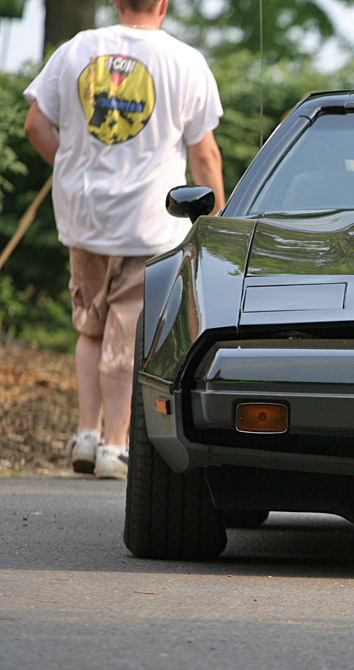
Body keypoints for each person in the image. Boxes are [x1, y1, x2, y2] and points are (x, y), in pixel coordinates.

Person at [23, 0, 225, 478]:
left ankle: (86, 435)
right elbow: (206, 155)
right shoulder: (186, 62)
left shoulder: (76, 50)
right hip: (151, 223)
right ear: (163, 4)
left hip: (85, 217)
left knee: (90, 326)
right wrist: (216, 219)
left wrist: (70, 171)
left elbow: (35, 124)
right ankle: (116, 446)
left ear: (116, 2)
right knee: (128, 335)